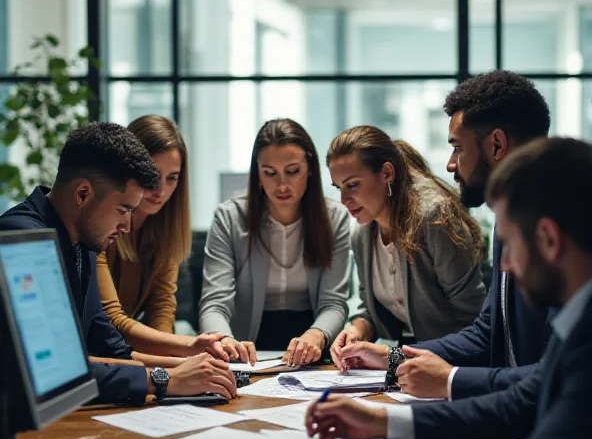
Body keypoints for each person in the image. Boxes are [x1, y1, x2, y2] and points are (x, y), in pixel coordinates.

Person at [305, 137, 592, 439]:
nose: (502, 266)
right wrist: (383, 419)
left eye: (510, 243)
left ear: (548, 239)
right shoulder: (579, 320)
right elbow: (517, 404)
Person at [336, 71, 553, 400]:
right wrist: (391, 358)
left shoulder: (566, 232)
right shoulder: (507, 220)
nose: (451, 165)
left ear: (497, 144)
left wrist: (451, 380)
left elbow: (558, 374)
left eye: (457, 148)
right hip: (508, 406)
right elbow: (487, 331)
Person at [0, 122, 236, 405]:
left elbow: (111, 349)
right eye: (123, 209)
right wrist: (164, 379)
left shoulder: (83, 240)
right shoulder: (22, 238)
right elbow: (54, 370)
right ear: (83, 194)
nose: (126, 225)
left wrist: (194, 368)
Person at [199, 118, 350, 366]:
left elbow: (334, 302)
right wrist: (224, 339)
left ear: (310, 168)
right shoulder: (230, 217)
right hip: (246, 347)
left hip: (310, 344)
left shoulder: (335, 218)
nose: (281, 185)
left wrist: (317, 335)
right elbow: (214, 302)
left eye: (292, 171)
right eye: (270, 173)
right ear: (257, 173)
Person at [328, 126, 485, 361]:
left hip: (452, 363)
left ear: (387, 174)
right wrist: (356, 331)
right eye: (339, 187)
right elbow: (371, 310)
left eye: (352, 185)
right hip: (408, 361)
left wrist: (394, 356)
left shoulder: (434, 217)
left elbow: (474, 323)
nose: (344, 199)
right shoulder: (362, 231)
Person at [97, 115, 228, 361]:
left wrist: (179, 362)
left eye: (172, 178)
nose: (161, 190)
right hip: (99, 358)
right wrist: (188, 350)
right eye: (153, 174)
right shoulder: (101, 226)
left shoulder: (165, 231)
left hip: (126, 359)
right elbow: (111, 321)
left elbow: (161, 310)